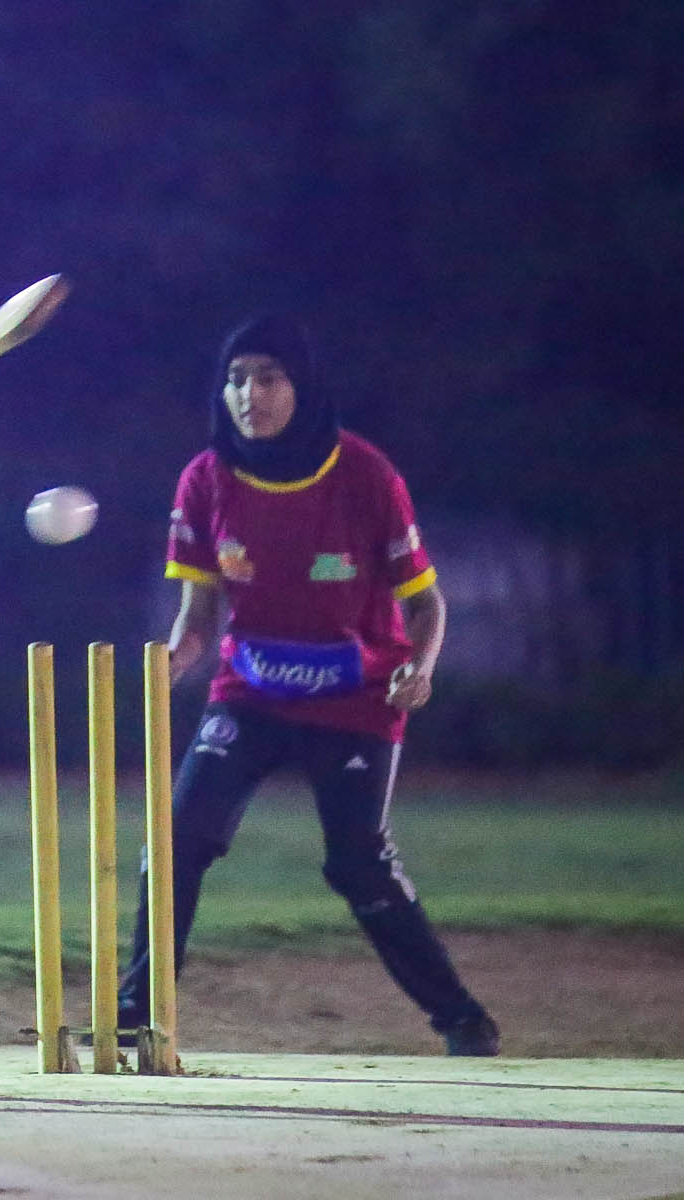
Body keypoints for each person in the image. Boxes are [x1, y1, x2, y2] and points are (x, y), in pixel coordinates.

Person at [116, 314, 499, 1056]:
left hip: (358, 695)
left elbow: (426, 603)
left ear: (303, 386)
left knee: (357, 863)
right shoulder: (205, 479)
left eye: (269, 378)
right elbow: (199, 614)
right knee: (175, 840)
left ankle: (462, 1019)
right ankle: (138, 1010)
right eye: (235, 380)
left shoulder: (365, 475)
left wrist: (420, 667)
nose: (249, 395)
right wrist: (174, 657)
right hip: (250, 691)